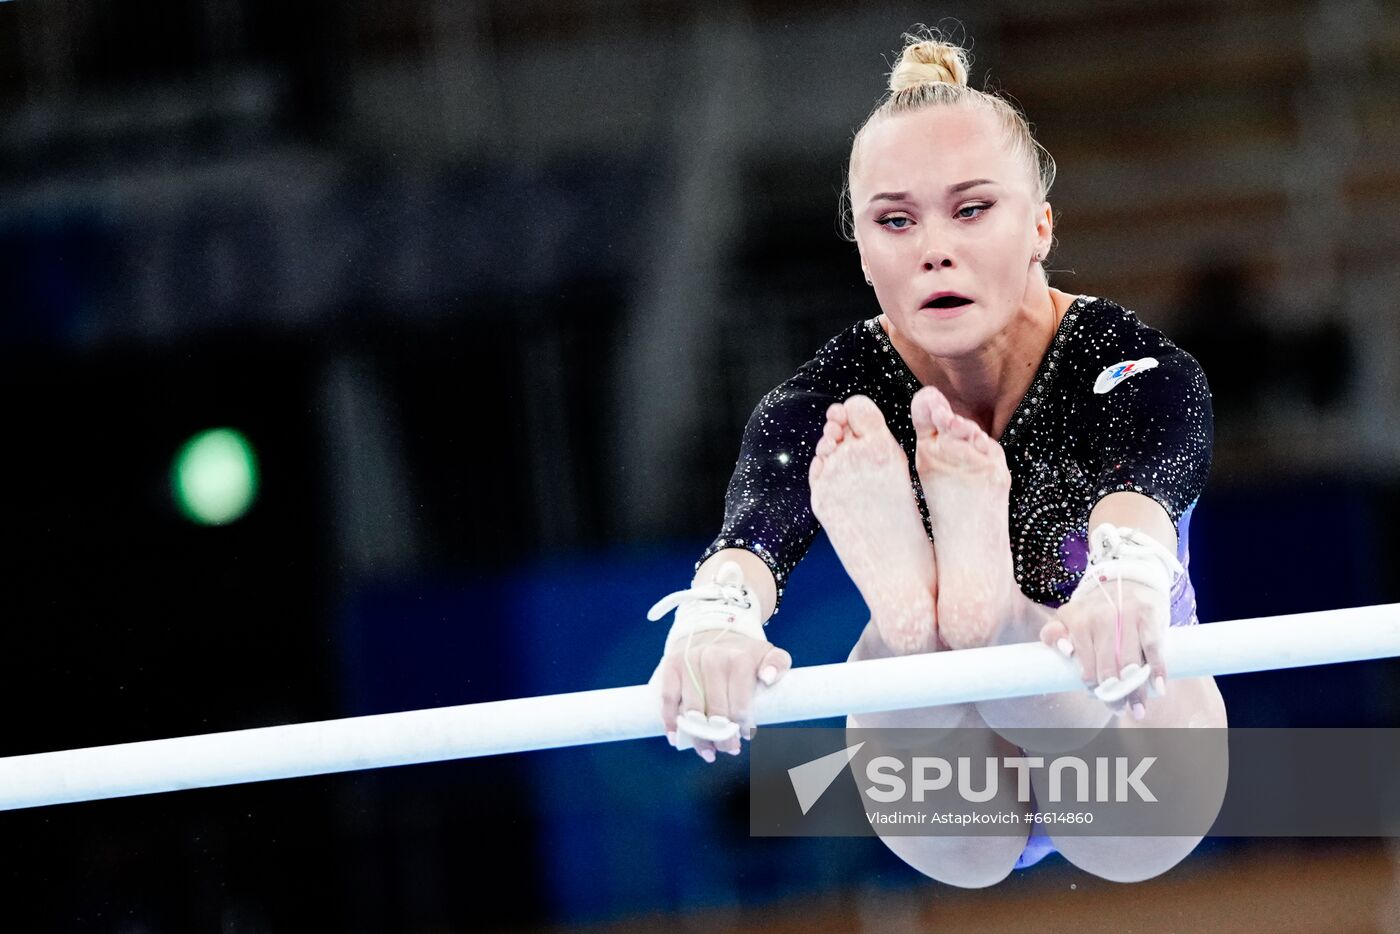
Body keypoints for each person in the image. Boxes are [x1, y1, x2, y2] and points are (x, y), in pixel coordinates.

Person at [648, 29, 1228, 886]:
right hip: (1001, 772)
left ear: (1040, 226)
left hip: (1115, 709)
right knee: (998, 827)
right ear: (865, 252)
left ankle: (947, 629)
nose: (933, 247)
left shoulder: (1125, 366)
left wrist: (1126, 576)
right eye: (895, 220)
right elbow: (749, 541)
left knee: (1089, 797)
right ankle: (924, 627)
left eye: (970, 209)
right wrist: (717, 622)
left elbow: (1149, 470)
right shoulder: (823, 407)